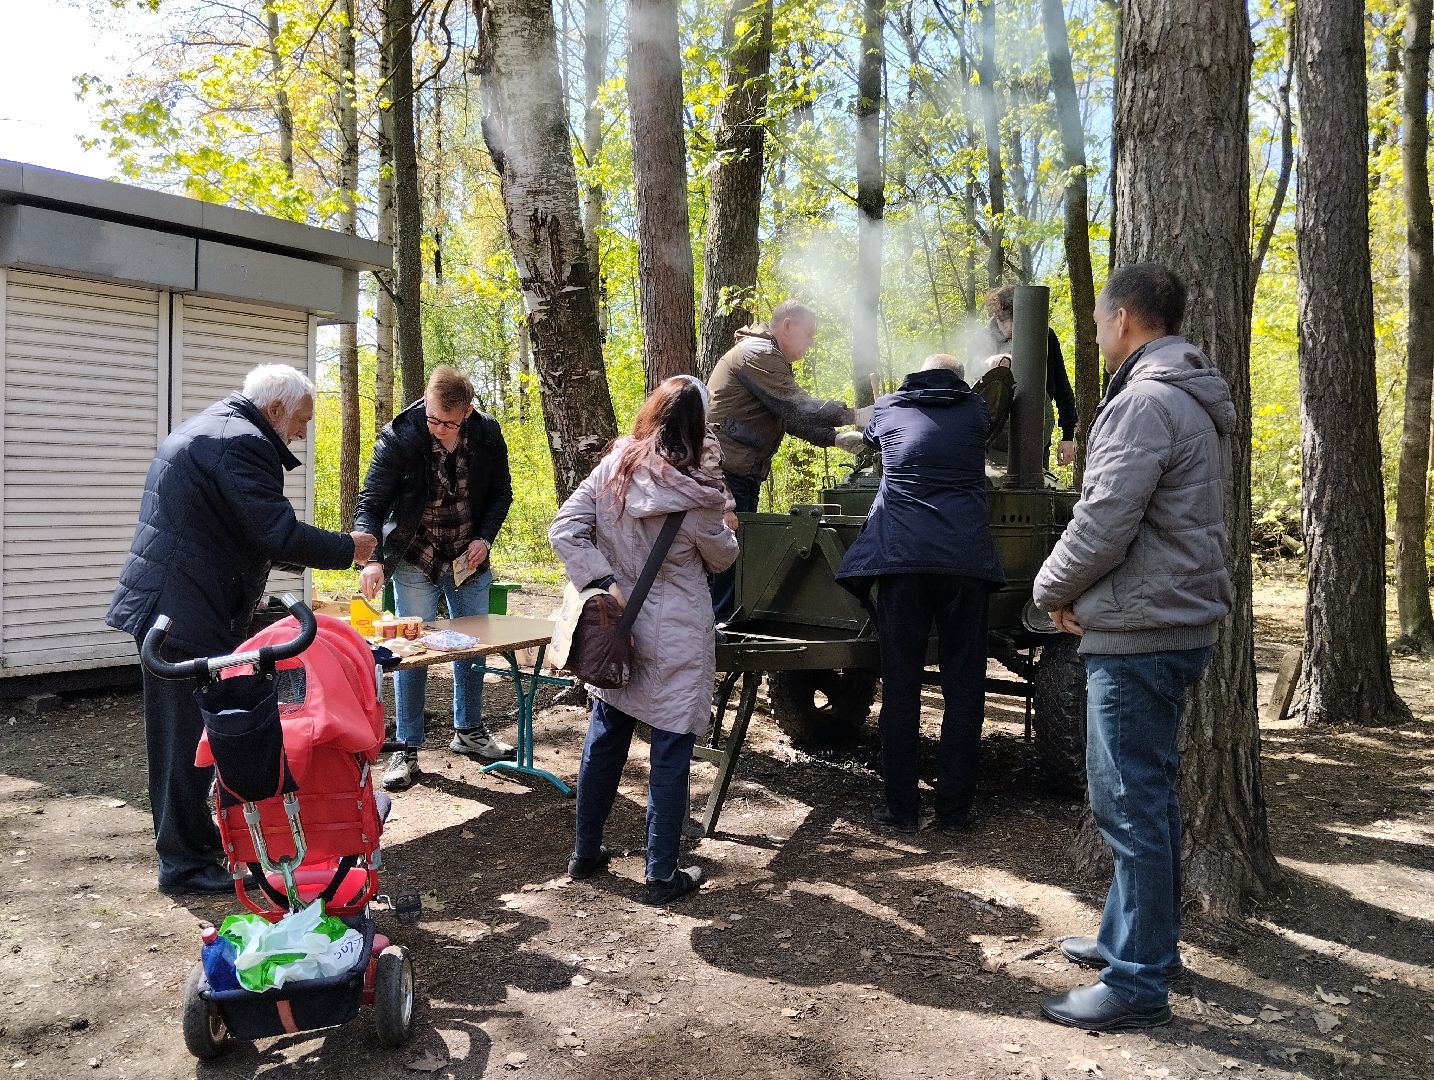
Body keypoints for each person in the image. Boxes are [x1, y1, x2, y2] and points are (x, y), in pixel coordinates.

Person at [1032, 264, 1234, 1031]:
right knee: (1146, 799)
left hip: (1141, 632)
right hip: (1168, 622)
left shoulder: (1145, 402)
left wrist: (1048, 590)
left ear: (1122, 319)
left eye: (1097, 319)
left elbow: (1103, 523)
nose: (1094, 331)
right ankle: (1138, 941)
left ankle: (1138, 983)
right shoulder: (1184, 395)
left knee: (1129, 806)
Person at [106, 365, 377, 894]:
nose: (301, 433)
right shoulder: (242, 442)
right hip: (182, 612)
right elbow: (276, 533)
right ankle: (184, 864)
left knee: (191, 736)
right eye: (300, 420)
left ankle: (196, 845)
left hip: (181, 605)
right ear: (274, 409)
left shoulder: (219, 429)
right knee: (186, 741)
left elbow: (242, 531)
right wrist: (349, 548)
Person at [549, 376, 739, 905]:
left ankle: (585, 852)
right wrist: (729, 528)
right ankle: (660, 875)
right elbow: (721, 558)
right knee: (670, 749)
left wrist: (603, 583)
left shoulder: (613, 468)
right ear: (697, 428)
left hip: (619, 628)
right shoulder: (699, 495)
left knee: (606, 736)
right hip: (676, 635)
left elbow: (564, 529)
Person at [835, 354, 1006, 835]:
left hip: (903, 559)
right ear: (960, 379)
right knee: (965, 689)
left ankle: (901, 809)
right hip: (965, 562)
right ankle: (954, 812)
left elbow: (869, 439)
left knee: (902, 686)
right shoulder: (976, 410)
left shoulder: (890, 407)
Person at [356, 365, 515, 792]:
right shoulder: (398, 437)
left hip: (467, 555)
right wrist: (372, 559)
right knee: (412, 649)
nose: (438, 428)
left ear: (467, 412)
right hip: (415, 555)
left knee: (473, 644)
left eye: (448, 422)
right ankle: (407, 746)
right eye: (432, 418)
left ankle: (469, 731)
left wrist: (484, 538)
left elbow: (501, 493)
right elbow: (371, 503)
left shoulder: (486, 434)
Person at [706, 300, 870, 619]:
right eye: (808, 334)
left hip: (739, 473)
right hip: (727, 476)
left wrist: (834, 438)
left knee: (736, 559)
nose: (811, 343)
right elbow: (796, 405)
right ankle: (718, 632)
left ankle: (721, 628)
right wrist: (853, 415)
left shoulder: (766, 357)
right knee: (728, 561)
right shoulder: (758, 354)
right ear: (788, 325)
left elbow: (790, 418)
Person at [985, 285, 1079, 467]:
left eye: (1014, 320)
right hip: (992, 442)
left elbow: (1061, 386)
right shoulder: (984, 337)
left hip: (1035, 434)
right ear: (996, 316)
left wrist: (1068, 436)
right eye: (1003, 320)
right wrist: (990, 363)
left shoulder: (1044, 335)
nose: (1009, 328)